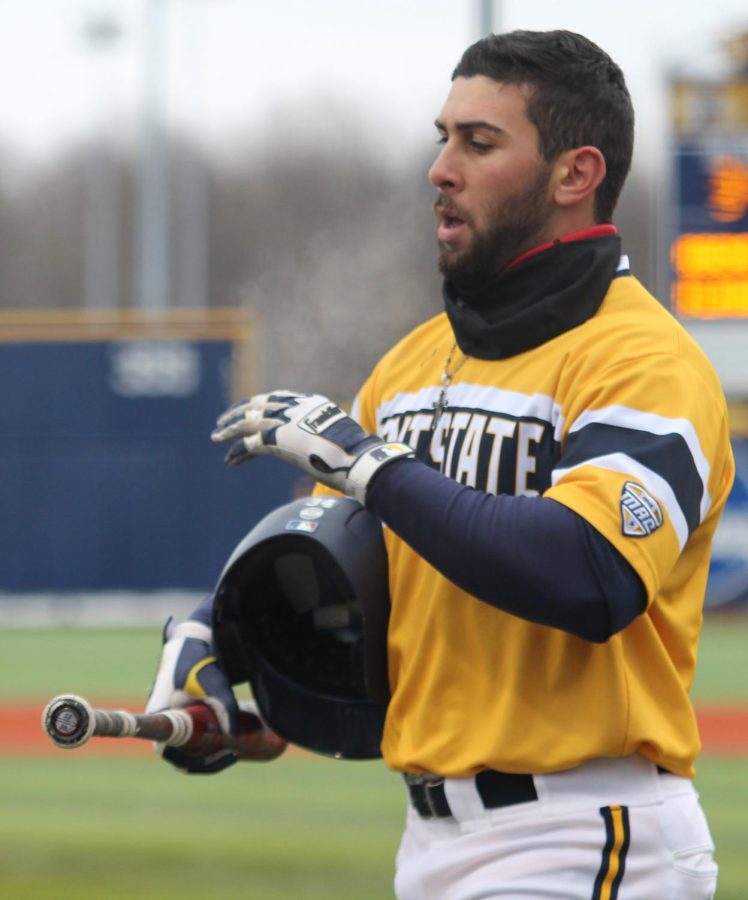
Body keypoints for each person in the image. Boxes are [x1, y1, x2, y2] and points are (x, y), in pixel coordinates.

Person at [147, 30, 734, 899]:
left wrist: (371, 464)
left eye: (480, 142)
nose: (441, 169)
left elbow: (589, 572)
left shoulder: (644, 361)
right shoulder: (411, 364)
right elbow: (342, 574)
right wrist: (219, 641)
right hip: (432, 844)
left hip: (586, 833)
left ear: (576, 175)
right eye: (444, 136)